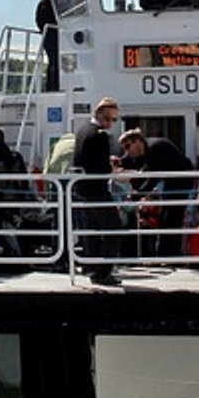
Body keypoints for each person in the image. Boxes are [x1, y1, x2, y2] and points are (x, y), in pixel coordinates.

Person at [119, 129, 194, 257]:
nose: (127, 151)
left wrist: (137, 195)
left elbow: (153, 177)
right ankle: (165, 253)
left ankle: (170, 254)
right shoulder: (147, 149)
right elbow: (144, 171)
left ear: (137, 142)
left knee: (173, 217)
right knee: (167, 216)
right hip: (171, 181)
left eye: (127, 147)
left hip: (181, 180)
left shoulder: (154, 148)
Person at [73, 96, 122, 286]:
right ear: (99, 115)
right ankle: (102, 271)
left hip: (82, 188)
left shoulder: (83, 130)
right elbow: (100, 168)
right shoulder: (100, 135)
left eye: (114, 120)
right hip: (96, 189)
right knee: (114, 228)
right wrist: (113, 169)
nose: (111, 123)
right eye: (109, 119)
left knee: (92, 229)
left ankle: (92, 266)